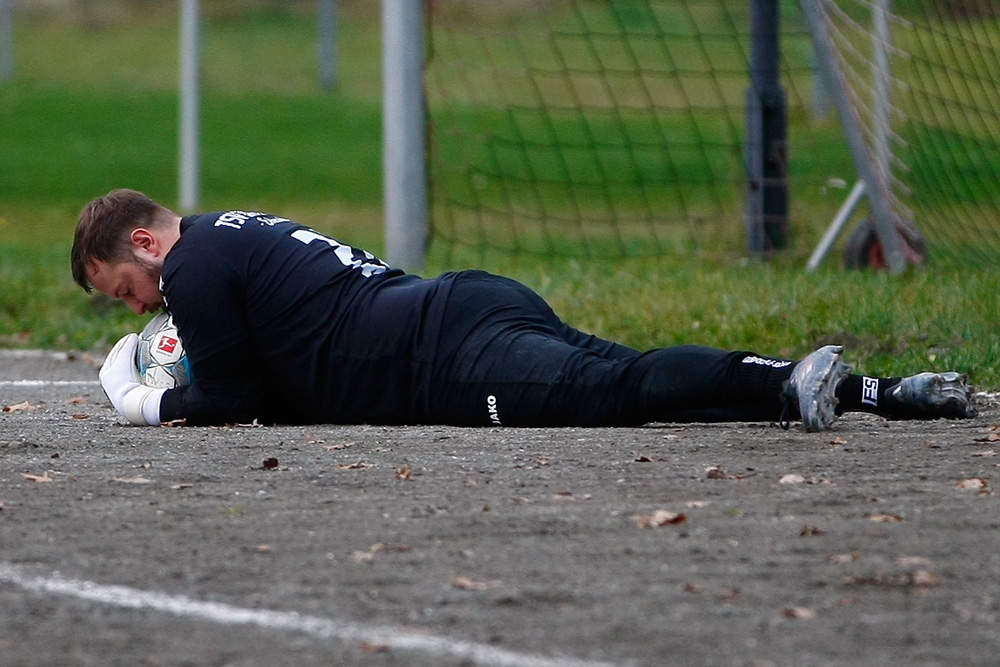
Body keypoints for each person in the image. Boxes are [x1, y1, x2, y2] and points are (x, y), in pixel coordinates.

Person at [71, 189, 976, 431]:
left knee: (624, 390)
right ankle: (881, 392)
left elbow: (235, 399)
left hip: (444, 357)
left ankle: (791, 382)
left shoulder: (192, 266)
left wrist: (141, 399)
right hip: (462, 302)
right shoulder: (227, 233)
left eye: (126, 290)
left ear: (146, 244)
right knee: (638, 382)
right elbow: (268, 370)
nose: (142, 308)